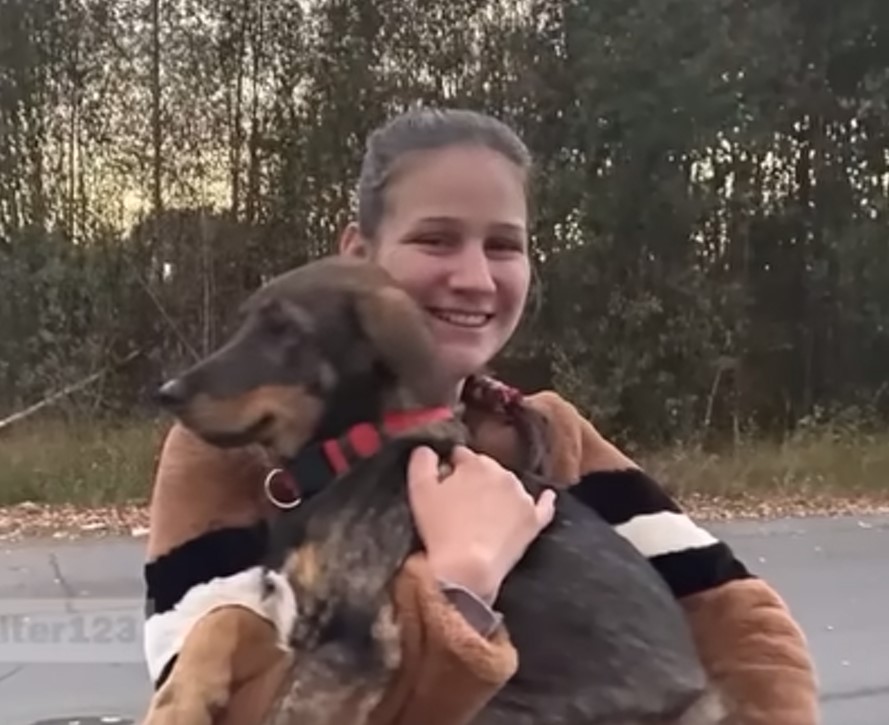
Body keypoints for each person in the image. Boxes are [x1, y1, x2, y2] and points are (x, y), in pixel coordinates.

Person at [142, 107, 818, 724]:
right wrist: (461, 583)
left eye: (503, 245)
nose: (473, 277)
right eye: (436, 240)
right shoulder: (234, 449)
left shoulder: (548, 434)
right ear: (355, 256)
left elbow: (740, 619)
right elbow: (235, 708)